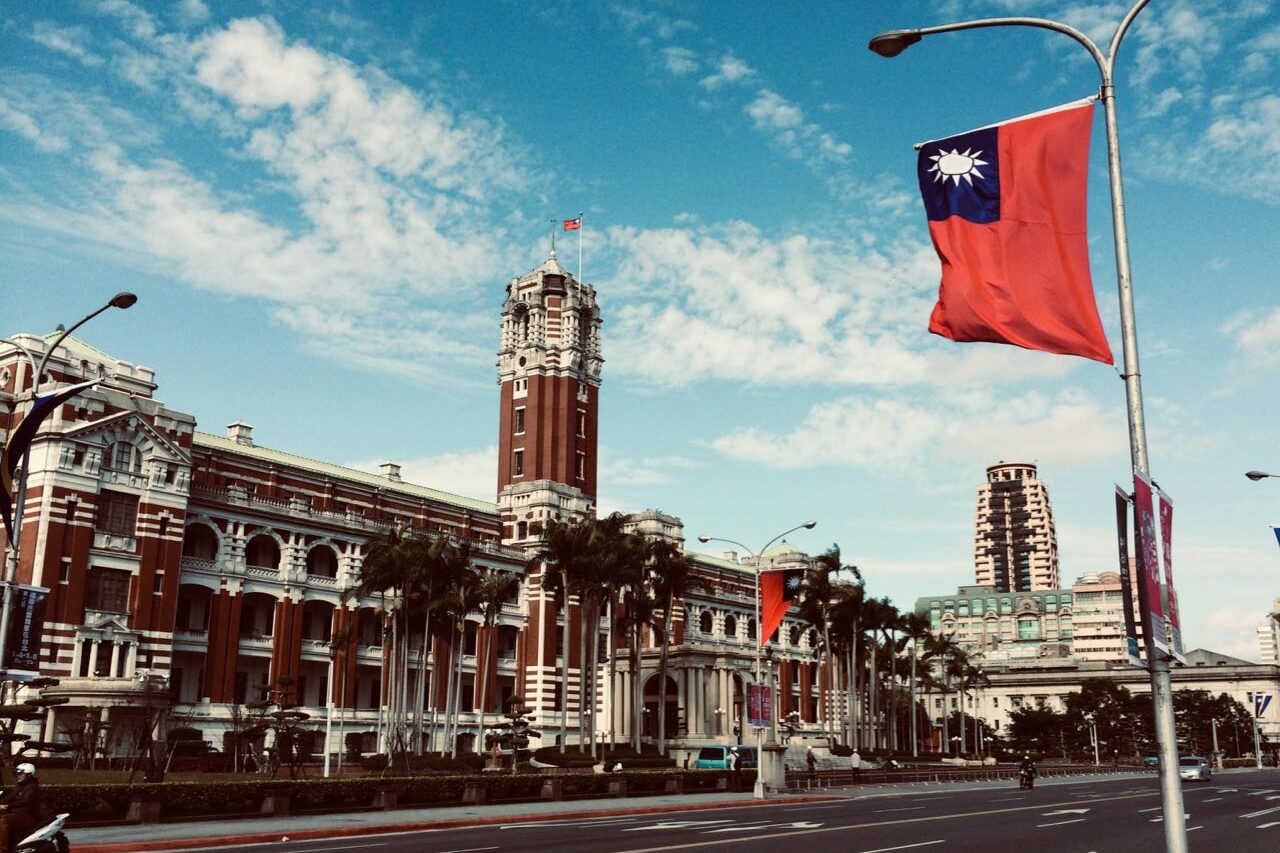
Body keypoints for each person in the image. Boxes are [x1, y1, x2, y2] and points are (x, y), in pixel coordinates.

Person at [0, 762, 41, 852]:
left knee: (4, 821)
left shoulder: (33, 787)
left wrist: (7, 806)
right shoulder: (20, 786)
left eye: (20, 774)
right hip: (17, 814)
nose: (18, 776)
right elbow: (9, 797)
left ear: (29, 775)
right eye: (17, 774)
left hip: (27, 816)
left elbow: (26, 801)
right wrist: (2, 802)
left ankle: (2, 849)